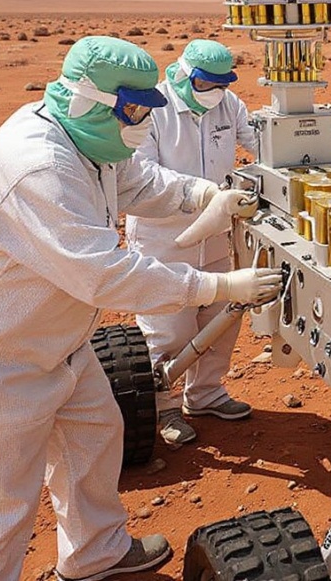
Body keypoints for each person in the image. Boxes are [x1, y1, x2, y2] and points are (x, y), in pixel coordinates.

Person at [0, 36, 282, 581]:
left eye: (146, 110)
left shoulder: (89, 142)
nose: (141, 124)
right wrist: (218, 286)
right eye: (132, 111)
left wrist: (203, 196)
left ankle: (95, 553)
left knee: (95, 433)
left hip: (52, 337)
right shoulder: (37, 167)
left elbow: (139, 180)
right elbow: (107, 275)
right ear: (89, 99)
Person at [126, 39, 259, 447]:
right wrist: (204, 193)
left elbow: (258, 142)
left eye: (223, 83)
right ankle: (165, 406)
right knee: (169, 327)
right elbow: (141, 173)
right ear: (182, 75)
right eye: (206, 83)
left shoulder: (227, 104)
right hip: (164, 238)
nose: (215, 92)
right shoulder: (154, 110)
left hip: (218, 236)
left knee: (220, 318)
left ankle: (206, 395)